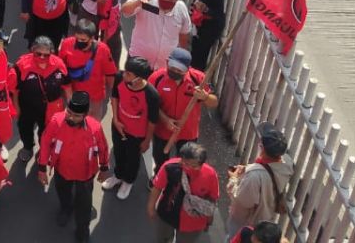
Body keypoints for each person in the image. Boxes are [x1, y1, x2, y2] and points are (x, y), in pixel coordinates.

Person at [36, 91, 110, 243]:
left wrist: (104, 167)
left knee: (84, 204)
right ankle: (66, 208)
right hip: (61, 169)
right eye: (68, 112)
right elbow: (45, 143)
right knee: (63, 192)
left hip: (85, 174)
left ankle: (82, 229)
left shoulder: (95, 128)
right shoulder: (56, 121)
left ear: (85, 114)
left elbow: (103, 147)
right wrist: (42, 168)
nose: (70, 117)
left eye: (76, 115)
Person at [150, 48, 218, 171]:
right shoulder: (157, 78)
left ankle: (177, 185)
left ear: (187, 69)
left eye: (179, 70)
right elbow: (150, 103)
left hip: (188, 132)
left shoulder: (198, 79)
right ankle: (159, 179)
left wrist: (205, 96)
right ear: (167, 62)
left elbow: (214, 102)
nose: (174, 71)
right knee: (160, 159)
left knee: (184, 164)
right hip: (162, 129)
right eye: (172, 67)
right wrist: (165, 119)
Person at [105, 56, 158, 200]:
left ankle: (128, 181)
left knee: (133, 158)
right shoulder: (119, 78)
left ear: (139, 78)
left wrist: (147, 140)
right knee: (118, 152)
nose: (124, 75)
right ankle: (118, 175)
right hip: (119, 127)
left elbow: (153, 121)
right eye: (125, 71)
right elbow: (115, 97)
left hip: (137, 134)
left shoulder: (151, 95)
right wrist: (115, 120)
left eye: (128, 74)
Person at [226, 123, 294, 235]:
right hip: (266, 215)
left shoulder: (254, 177)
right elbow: (268, 168)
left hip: (247, 222)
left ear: (262, 148)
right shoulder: (287, 162)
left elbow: (241, 202)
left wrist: (233, 179)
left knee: (233, 237)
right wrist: (247, 168)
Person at [149, 142, 220, 242]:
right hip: (167, 212)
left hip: (193, 222)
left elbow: (212, 198)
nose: (188, 168)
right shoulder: (169, 167)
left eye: (193, 166)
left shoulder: (211, 175)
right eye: (185, 163)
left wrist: (209, 220)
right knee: (162, 239)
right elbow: (157, 187)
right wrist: (151, 207)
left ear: (201, 164)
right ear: (181, 159)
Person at [13, 36, 67, 161]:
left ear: (51, 53)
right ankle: (27, 147)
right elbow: (15, 90)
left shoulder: (58, 64)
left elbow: (67, 87)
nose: (42, 57)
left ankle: (43, 151)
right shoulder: (21, 65)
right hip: (27, 107)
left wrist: (68, 109)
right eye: (38, 54)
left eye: (46, 55)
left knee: (46, 132)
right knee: (25, 129)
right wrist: (17, 108)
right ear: (32, 50)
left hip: (49, 109)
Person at [123, 0, 191, 71]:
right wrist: (138, 2)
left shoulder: (181, 8)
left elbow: (184, 34)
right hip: (139, 62)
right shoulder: (147, 0)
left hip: (164, 66)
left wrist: (182, 56)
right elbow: (125, 10)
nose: (167, 1)